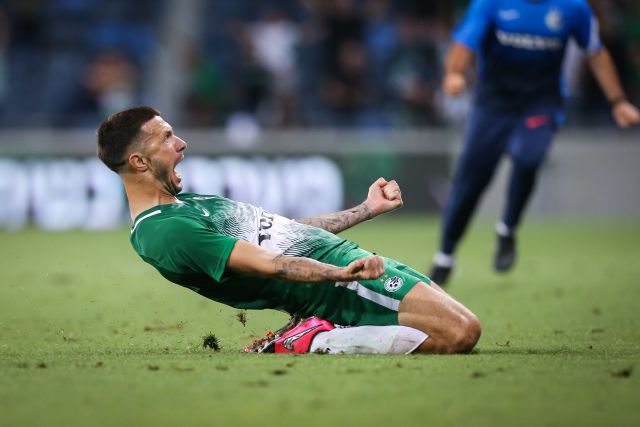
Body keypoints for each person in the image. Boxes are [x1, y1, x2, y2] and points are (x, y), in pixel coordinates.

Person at [96, 106, 481, 354]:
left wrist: (366, 209)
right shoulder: (166, 232)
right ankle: (313, 339)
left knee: (457, 323)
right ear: (139, 162)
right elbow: (272, 264)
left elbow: (286, 233)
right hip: (335, 289)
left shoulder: (187, 205)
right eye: (166, 138)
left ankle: (316, 332)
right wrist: (340, 274)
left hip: (345, 264)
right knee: (461, 332)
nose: (181, 143)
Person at [430, 0, 640, 285]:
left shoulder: (573, 8)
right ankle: (445, 255)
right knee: (471, 181)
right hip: (493, 105)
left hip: (540, 103)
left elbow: (596, 52)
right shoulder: (491, 4)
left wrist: (618, 101)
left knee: (528, 157)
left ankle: (507, 228)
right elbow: (463, 45)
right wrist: (454, 73)